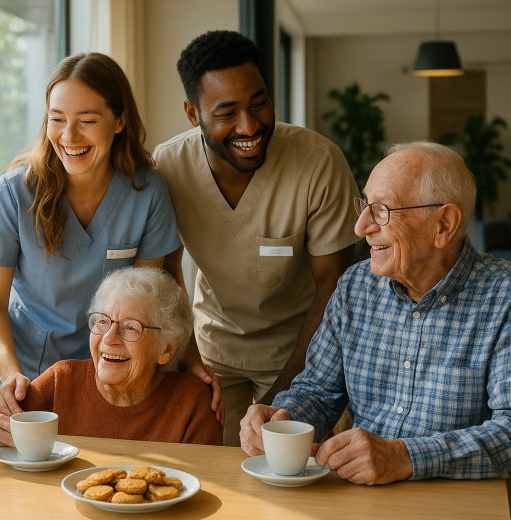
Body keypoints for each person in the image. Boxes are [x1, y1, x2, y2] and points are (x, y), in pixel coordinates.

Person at [240, 142, 511, 484]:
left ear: (444, 224)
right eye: (365, 205)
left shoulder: (509, 297)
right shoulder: (355, 288)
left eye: (382, 210)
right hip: (360, 500)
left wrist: (406, 458)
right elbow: (318, 391)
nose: (361, 227)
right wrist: (282, 420)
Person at [152, 30, 360, 445]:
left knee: (298, 480)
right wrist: (188, 355)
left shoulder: (318, 163)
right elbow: (164, 269)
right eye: (227, 112)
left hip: (303, 352)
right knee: (219, 474)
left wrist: (286, 394)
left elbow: (333, 289)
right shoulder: (167, 166)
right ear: (193, 114)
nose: (249, 125)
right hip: (213, 351)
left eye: (259, 102)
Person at [0, 52, 183, 414]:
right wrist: (10, 375)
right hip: (25, 377)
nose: (69, 136)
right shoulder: (13, 192)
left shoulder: (147, 193)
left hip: (107, 378)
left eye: (87, 120)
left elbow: (146, 305)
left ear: (119, 121)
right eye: (57, 119)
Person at [0, 267, 222, 447]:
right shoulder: (62, 381)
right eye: (101, 321)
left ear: (167, 350)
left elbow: (209, 482)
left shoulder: (192, 401)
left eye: (130, 327)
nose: (109, 338)